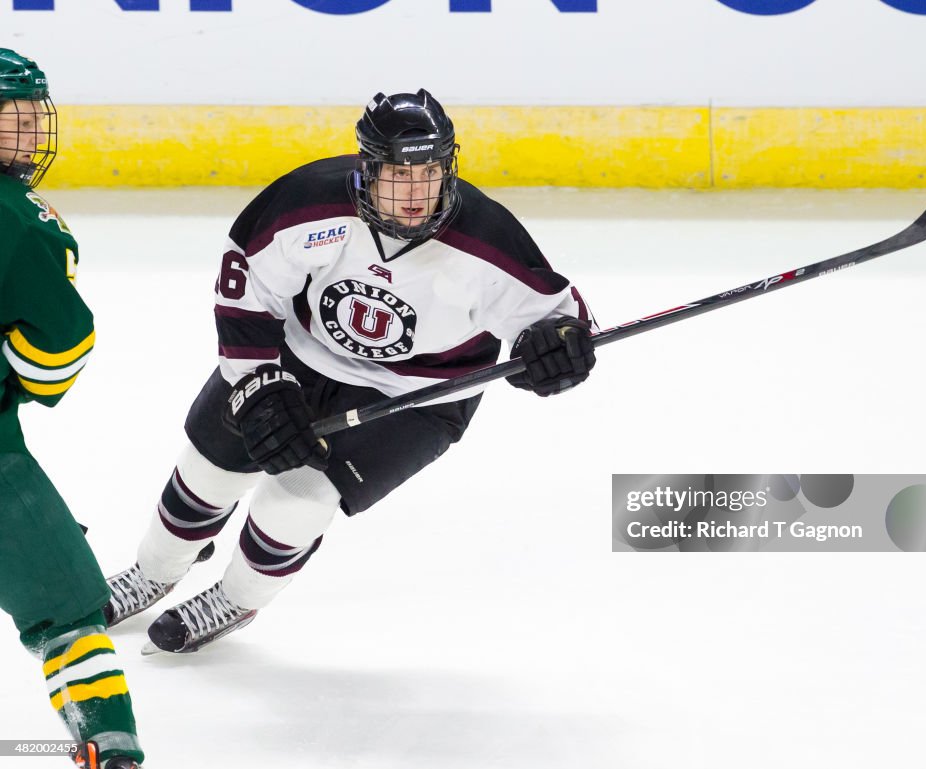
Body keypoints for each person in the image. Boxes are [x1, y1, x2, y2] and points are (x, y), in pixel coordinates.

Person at [103, 89, 597, 655]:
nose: (415, 194)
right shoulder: (308, 205)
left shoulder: (487, 240)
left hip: (417, 397)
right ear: (367, 170)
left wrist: (556, 352)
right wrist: (259, 387)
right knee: (208, 468)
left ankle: (235, 599)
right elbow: (246, 295)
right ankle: (154, 571)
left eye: (430, 173)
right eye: (397, 174)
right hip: (297, 356)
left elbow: (561, 322)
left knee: (296, 503)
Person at [0, 48, 146, 769]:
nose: (28, 134)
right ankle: (108, 746)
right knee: (69, 607)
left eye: (32, 118)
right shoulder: (24, 221)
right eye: (13, 118)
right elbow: (60, 344)